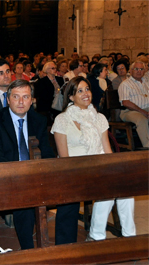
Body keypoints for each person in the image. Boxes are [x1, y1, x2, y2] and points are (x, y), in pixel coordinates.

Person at [51, 76, 135, 242]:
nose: (85, 94)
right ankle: (96, 235)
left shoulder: (99, 118)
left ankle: (129, 237)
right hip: (75, 170)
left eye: (87, 89)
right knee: (107, 191)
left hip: (99, 167)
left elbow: (106, 149)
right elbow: (63, 157)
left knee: (126, 188)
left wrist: (115, 170)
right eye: (79, 91)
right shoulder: (62, 120)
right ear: (71, 97)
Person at [0, 79, 54, 249]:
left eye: (26, 97)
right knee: (26, 195)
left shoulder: (39, 120)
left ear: (32, 100)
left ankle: (65, 246)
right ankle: (28, 249)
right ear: (8, 99)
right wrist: (21, 176)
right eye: (16, 97)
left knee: (67, 193)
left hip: (34, 175)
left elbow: (47, 152)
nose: (21, 102)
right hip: (7, 176)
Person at [118, 61, 149, 148]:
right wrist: (142, 112)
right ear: (131, 71)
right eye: (136, 69)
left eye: (141, 69)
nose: (139, 71)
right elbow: (125, 102)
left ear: (144, 71)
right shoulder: (125, 84)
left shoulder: (146, 82)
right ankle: (147, 147)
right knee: (141, 119)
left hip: (146, 108)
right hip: (129, 111)